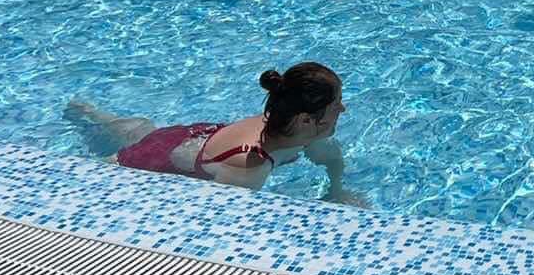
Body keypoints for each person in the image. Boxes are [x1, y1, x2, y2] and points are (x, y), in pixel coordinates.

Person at [67, 63, 358, 201]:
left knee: (142, 131)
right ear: (305, 120)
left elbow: (330, 157)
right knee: (96, 174)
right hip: (158, 162)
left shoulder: (292, 125)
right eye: (336, 105)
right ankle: (83, 114)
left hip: (189, 136)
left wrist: (336, 189)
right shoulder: (248, 168)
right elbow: (214, 215)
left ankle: (87, 112)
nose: (343, 109)